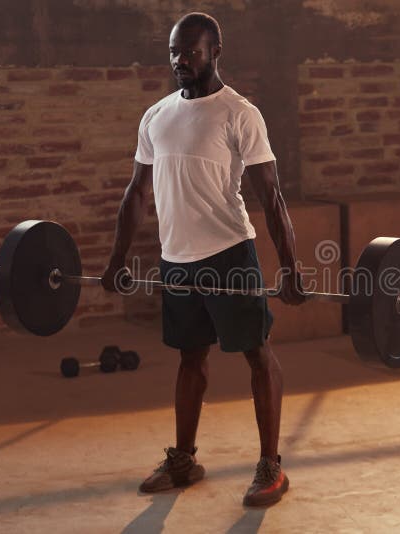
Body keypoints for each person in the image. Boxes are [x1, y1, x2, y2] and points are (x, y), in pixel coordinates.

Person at [101, 12, 305, 507]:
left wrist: (291, 268)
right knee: (190, 356)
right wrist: (117, 259)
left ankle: (270, 467)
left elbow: (272, 197)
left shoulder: (240, 113)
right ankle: (184, 459)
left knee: (256, 353)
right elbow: (136, 192)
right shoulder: (157, 115)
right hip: (176, 259)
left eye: (190, 51)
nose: (179, 60)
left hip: (229, 252)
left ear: (215, 51)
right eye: (173, 51)